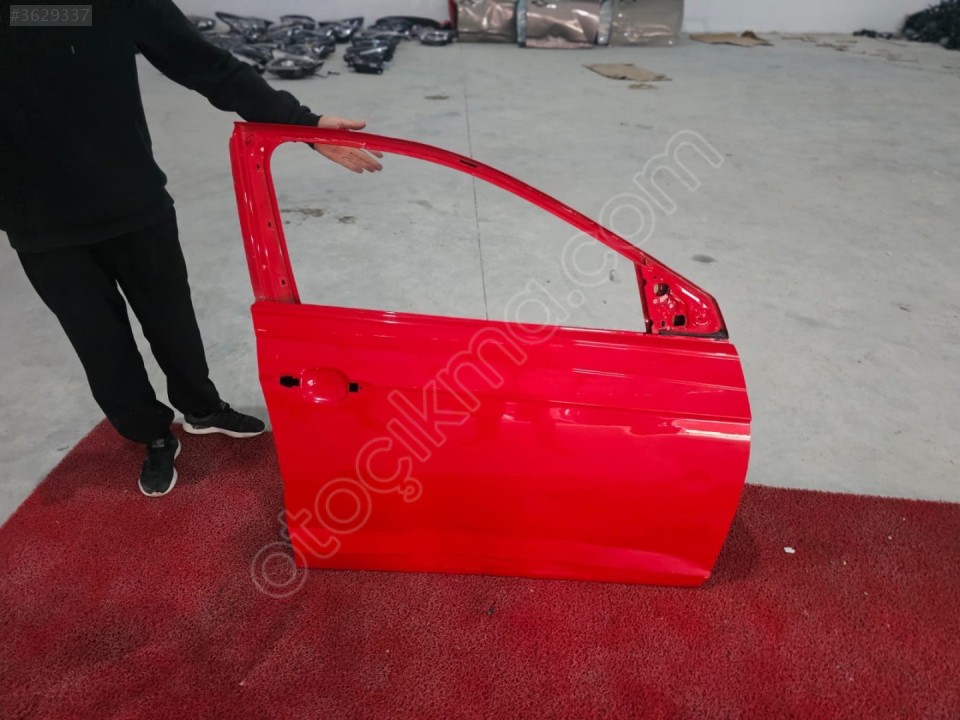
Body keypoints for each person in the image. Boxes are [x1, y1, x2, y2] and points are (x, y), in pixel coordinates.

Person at [0, 0, 384, 497]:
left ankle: (202, 409)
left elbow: (204, 63)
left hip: (133, 202)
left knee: (172, 320)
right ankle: (152, 434)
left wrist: (301, 124)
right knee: (100, 344)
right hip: (41, 227)